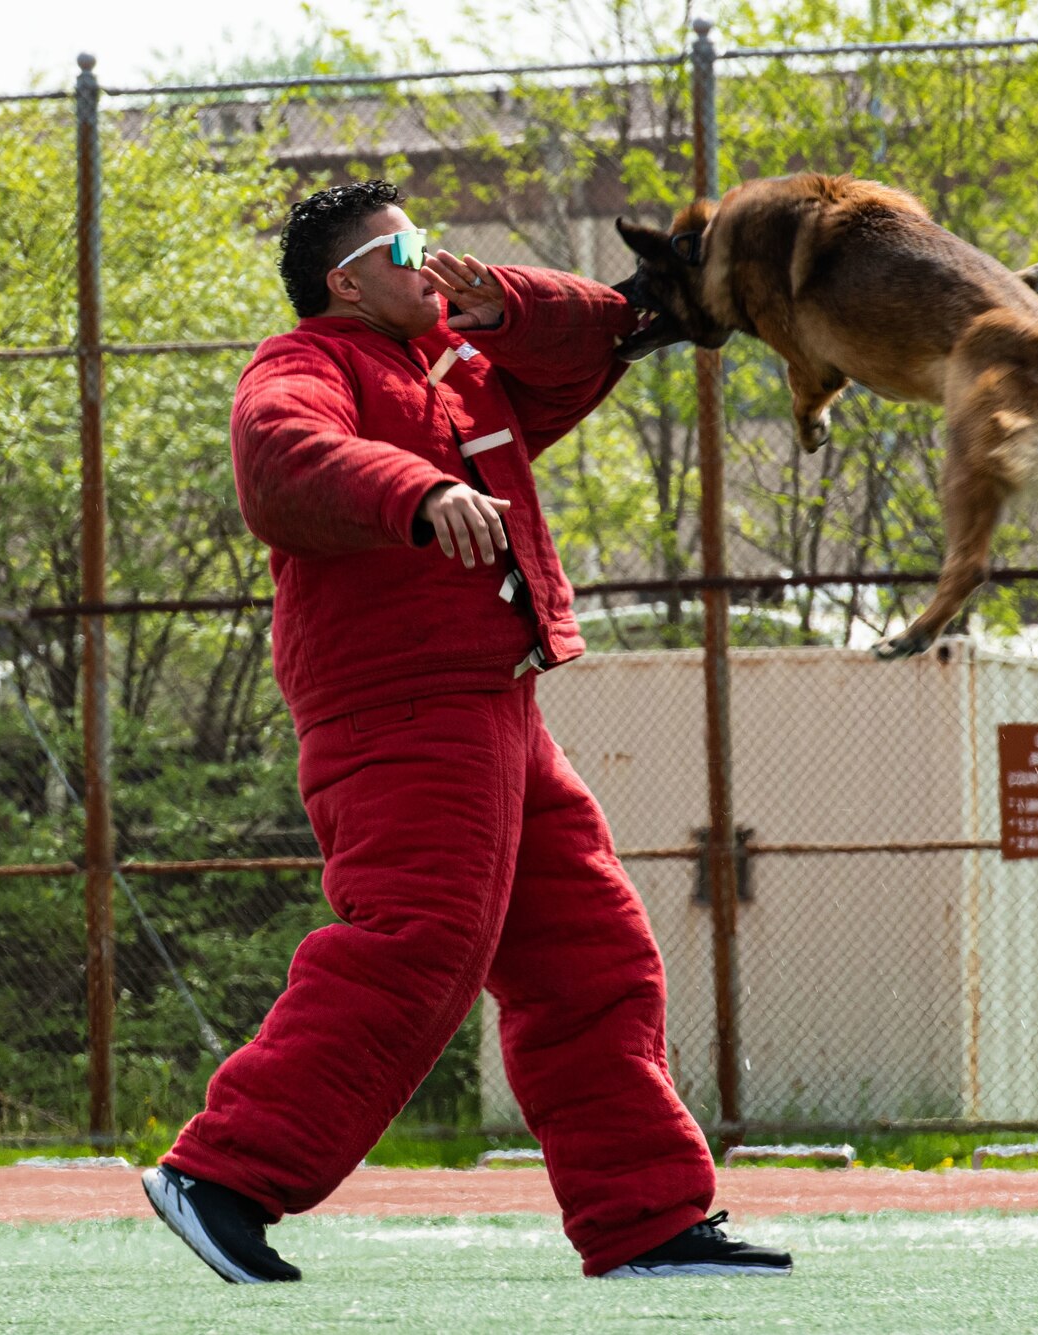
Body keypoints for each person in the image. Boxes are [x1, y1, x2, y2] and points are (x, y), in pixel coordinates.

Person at [139, 180, 789, 1284]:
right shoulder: (308, 360)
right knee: (420, 940)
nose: (430, 259)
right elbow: (277, 455)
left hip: (493, 704)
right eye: (407, 247)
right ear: (346, 281)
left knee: (591, 959)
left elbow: (595, 341)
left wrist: (502, 300)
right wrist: (412, 492)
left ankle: (646, 1224)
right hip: (398, 703)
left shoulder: (455, 374)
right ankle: (224, 1173)